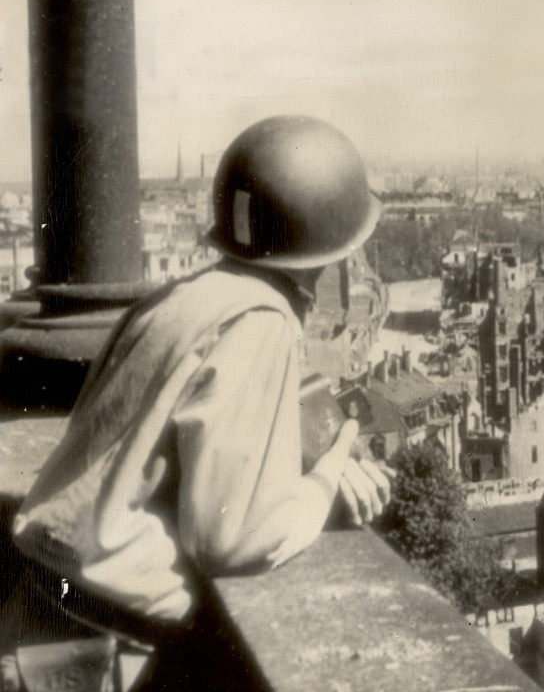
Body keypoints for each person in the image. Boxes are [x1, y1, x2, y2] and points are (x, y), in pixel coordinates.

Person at [0, 116, 391, 691]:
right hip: (99, 648)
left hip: (43, 608)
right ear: (331, 248)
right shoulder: (263, 322)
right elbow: (230, 541)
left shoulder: (186, 296)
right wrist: (325, 481)